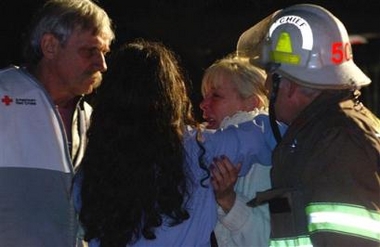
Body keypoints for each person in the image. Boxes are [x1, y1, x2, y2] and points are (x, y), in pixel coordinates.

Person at [72, 39, 281, 247]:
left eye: (216, 96)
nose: (203, 104)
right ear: (170, 97)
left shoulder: (89, 173)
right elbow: (277, 128)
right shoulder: (201, 150)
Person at [236, 3, 380, 246]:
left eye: (270, 78)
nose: (267, 88)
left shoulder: (338, 141)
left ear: (289, 83)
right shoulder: (320, 134)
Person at [0, 0, 115, 246]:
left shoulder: (90, 117)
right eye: (89, 51)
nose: (102, 65)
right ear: (50, 46)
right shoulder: (2, 96)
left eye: (104, 53)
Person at [200, 56, 285, 247]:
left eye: (216, 96)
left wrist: (228, 200)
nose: (203, 104)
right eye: (204, 96)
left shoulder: (265, 161)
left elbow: (268, 240)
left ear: (252, 103)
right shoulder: (216, 154)